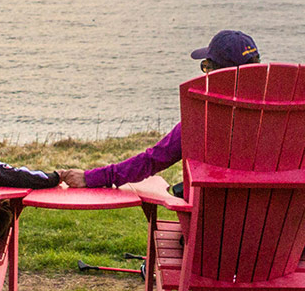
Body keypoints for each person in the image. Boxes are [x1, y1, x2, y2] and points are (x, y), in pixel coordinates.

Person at [57, 30, 260, 189]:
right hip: (279, 233)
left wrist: (90, 177)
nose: (205, 73)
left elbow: (152, 160)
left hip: (213, 231)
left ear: (219, 73)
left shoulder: (203, 119)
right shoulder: (286, 120)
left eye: (207, 66)